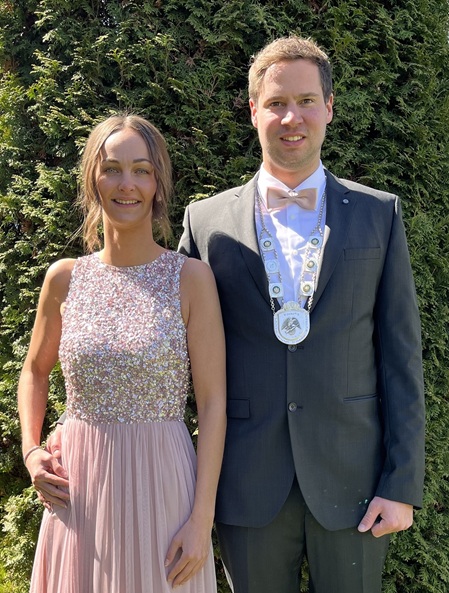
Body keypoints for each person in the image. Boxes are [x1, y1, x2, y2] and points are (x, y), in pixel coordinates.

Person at [177, 36, 425, 593]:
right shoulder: (205, 221)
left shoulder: (379, 214)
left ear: (330, 107)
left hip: (355, 484)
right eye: (276, 103)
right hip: (244, 483)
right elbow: (176, 359)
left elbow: (401, 358)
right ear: (253, 111)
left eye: (307, 101)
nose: (292, 117)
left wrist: (402, 483)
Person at [18, 114, 226, 593]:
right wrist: (31, 450)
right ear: (93, 179)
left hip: (164, 487)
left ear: (157, 184)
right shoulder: (64, 278)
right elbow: (34, 371)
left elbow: (214, 403)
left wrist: (202, 519)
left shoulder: (191, 279)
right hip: (78, 490)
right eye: (112, 168)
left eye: (141, 170)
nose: (126, 183)